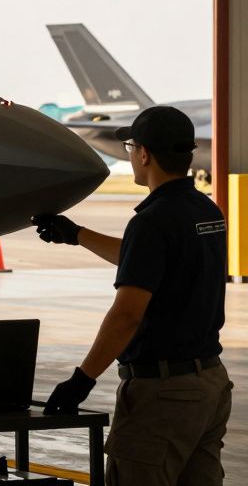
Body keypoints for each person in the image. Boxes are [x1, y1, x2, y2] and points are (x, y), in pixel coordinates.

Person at [32, 105, 232, 485]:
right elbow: (151, 258)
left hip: (163, 396)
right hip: (210, 383)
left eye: (130, 147)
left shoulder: (152, 220)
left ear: (143, 154)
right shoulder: (206, 210)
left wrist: (82, 379)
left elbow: (127, 314)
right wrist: (76, 235)